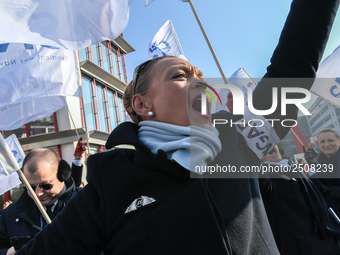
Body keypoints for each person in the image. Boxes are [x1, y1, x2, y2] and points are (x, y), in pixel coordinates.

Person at [13, 0, 340, 254]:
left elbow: (295, 61)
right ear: (142, 104)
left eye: (200, 77)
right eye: (181, 76)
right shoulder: (109, 183)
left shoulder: (239, 144)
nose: (200, 84)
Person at [260, 144, 340, 254]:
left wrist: (313, 161)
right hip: (301, 247)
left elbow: (322, 187)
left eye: (272, 142)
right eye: (263, 145)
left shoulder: (291, 166)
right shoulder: (262, 176)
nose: (270, 146)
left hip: (325, 238)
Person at [0, 148, 79, 255]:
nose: (38, 194)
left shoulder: (87, 204)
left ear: (62, 175)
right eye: (31, 187)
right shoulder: (10, 214)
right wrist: (7, 253)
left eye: (45, 185)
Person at [304, 128, 340, 227]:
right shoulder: (320, 160)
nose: (326, 144)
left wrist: (331, 191)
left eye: (330, 140)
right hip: (330, 217)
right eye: (322, 141)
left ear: (339, 141)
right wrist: (310, 164)